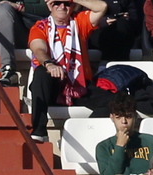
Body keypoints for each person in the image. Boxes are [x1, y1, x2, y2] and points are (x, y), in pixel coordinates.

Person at [26, 0, 111, 143]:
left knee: (115, 104)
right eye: (56, 3)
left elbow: (102, 7)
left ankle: (81, 136)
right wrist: (49, 64)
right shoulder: (40, 27)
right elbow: (38, 48)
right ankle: (39, 131)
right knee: (41, 72)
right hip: (52, 86)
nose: (62, 6)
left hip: (78, 84)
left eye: (66, 3)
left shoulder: (78, 22)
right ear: (49, 6)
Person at [0, 0, 48, 86]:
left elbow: (53, 6)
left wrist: (20, 7)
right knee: (2, 8)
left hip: (45, 30)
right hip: (19, 31)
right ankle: (8, 70)